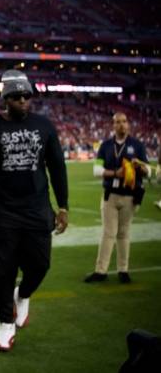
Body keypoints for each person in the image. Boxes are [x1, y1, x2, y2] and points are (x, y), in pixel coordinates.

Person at [0, 70, 68, 352]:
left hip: (37, 208)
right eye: (17, 97)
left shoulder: (44, 126)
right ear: (6, 99)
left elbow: (57, 167)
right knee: (4, 269)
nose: (24, 101)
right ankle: (5, 323)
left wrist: (63, 206)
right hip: (2, 210)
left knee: (40, 264)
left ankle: (22, 295)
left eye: (27, 96)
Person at [85, 113, 149, 284]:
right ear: (113, 125)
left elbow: (148, 171)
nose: (121, 125)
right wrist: (115, 173)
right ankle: (101, 271)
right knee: (108, 233)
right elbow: (96, 171)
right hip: (110, 195)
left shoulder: (137, 145)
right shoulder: (106, 145)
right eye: (118, 122)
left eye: (124, 121)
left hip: (130, 195)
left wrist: (140, 168)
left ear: (128, 124)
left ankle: (123, 270)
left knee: (124, 234)